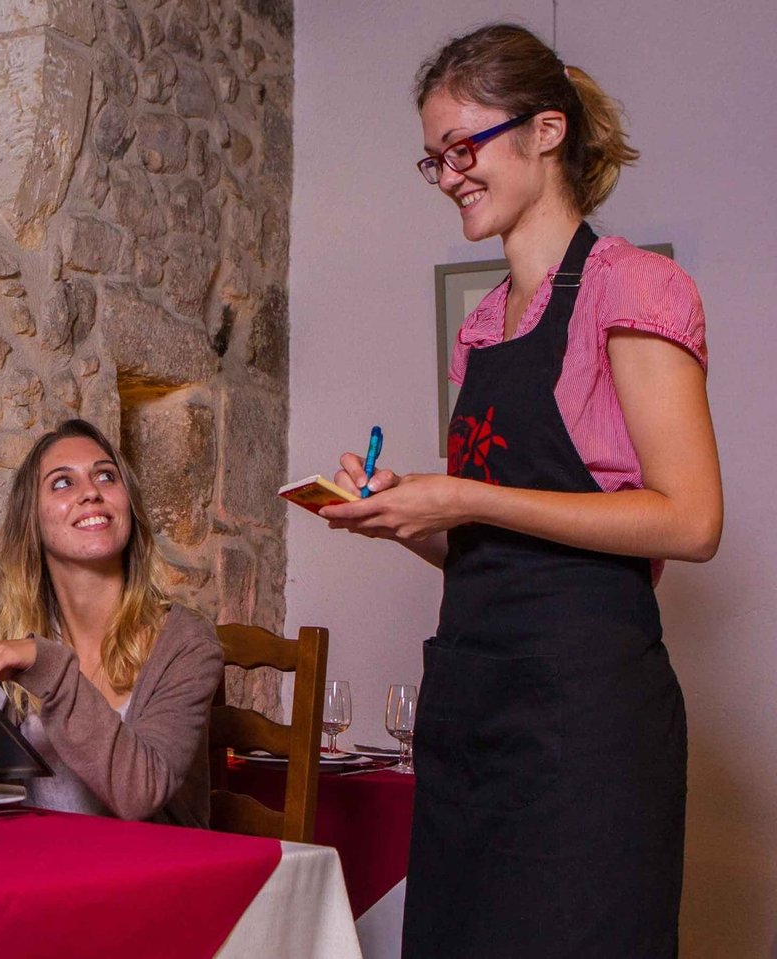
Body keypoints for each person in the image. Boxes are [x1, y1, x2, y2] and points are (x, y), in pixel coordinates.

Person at [318, 24, 722, 959]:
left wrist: (467, 498)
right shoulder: (486, 324)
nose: (449, 174)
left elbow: (692, 519)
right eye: (435, 158)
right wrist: (407, 516)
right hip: (472, 714)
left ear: (546, 131)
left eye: (463, 147)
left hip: (587, 727)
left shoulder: (638, 288)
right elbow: (496, 549)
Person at [0, 419, 222, 827]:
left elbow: (140, 793)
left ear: (128, 505)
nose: (91, 492)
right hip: (36, 859)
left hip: (150, 863)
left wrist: (45, 663)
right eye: (62, 483)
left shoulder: (186, 643)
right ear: (33, 522)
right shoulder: (11, 633)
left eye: (106, 476)